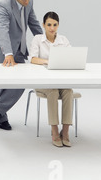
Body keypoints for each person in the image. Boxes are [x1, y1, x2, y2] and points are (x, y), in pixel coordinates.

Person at [0, 0, 43, 130]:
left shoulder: (29, 3)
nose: (26, 1)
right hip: (1, 50)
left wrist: (45, 42)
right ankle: (0, 116)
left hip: (20, 50)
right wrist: (8, 53)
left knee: (21, 82)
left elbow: (34, 23)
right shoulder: (3, 6)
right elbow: (2, 30)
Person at [30, 11, 73, 147]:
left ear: (58, 25)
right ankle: (54, 130)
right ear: (43, 25)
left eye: (55, 25)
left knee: (68, 91)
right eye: (49, 24)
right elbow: (33, 59)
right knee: (53, 92)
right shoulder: (38, 39)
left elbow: (71, 57)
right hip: (42, 82)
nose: (52, 28)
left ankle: (65, 131)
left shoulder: (63, 40)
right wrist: (48, 62)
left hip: (60, 80)